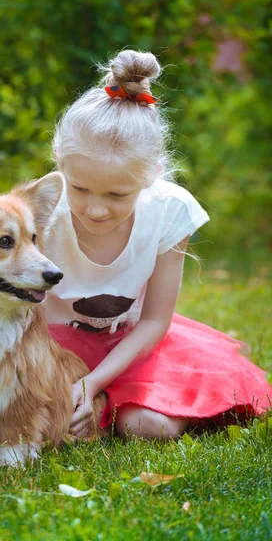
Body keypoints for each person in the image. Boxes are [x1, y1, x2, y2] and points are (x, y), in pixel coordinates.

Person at [43, 49, 272, 440]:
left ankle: (111, 403)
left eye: (117, 195)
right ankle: (94, 410)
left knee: (149, 427)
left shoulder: (169, 210)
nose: (95, 209)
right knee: (34, 412)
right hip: (52, 345)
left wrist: (92, 383)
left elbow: (153, 322)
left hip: (134, 344)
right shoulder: (42, 208)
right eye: (79, 188)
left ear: (153, 174)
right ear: (60, 160)